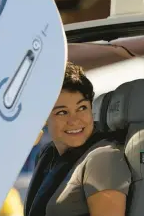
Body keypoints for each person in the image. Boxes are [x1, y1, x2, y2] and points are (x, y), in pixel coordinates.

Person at [24, 62, 131, 216]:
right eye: (62, 112)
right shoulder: (47, 156)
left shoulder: (102, 158)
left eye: (82, 108)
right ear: (44, 116)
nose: (74, 120)